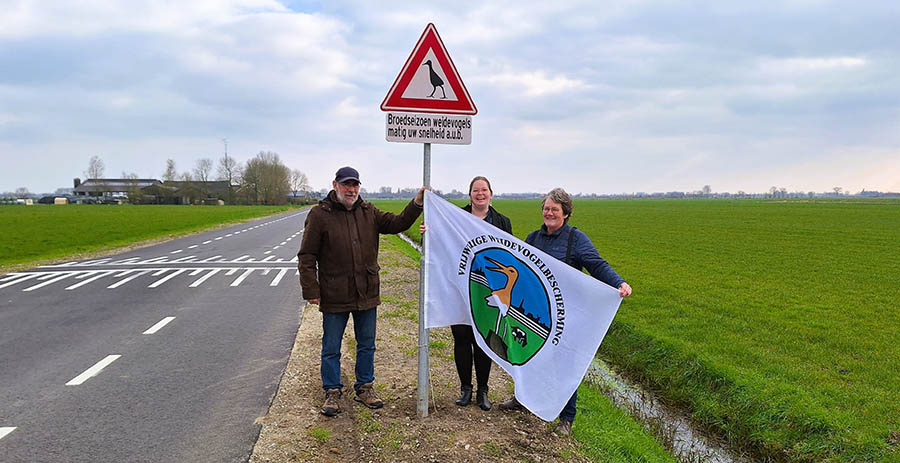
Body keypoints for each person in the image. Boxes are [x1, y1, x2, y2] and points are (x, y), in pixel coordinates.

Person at [498, 187, 632, 436]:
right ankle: (523, 399)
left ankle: (566, 418)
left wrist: (618, 283)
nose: (549, 213)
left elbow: (596, 264)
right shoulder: (533, 238)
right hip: (536, 311)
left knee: (564, 365)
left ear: (566, 214)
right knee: (527, 353)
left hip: (565, 316)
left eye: (554, 210)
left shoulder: (575, 240)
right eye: (546, 209)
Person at [298, 166, 425, 417]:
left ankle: (365, 388)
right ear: (335, 185)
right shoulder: (319, 215)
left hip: (366, 292)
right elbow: (307, 256)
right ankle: (332, 391)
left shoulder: (369, 212)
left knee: (366, 344)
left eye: (355, 185)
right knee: (331, 346)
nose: (351, 189)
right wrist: (311, 289)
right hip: (334, 293)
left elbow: (397, 223)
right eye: (346, 185)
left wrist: (417, 203)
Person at [421, 176, 511, 410]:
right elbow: (440, 241)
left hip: (488, 290)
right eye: (475, 190)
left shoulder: (503, 222)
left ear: (491, 194)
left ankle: (483, 390)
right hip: (460, 287)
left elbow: (508, 255)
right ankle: (465, 389)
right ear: (469, 194)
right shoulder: (454, 218)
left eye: (484, 190)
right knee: (461, 338)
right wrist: (427, 230)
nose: (480, 194)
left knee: (484, 341)